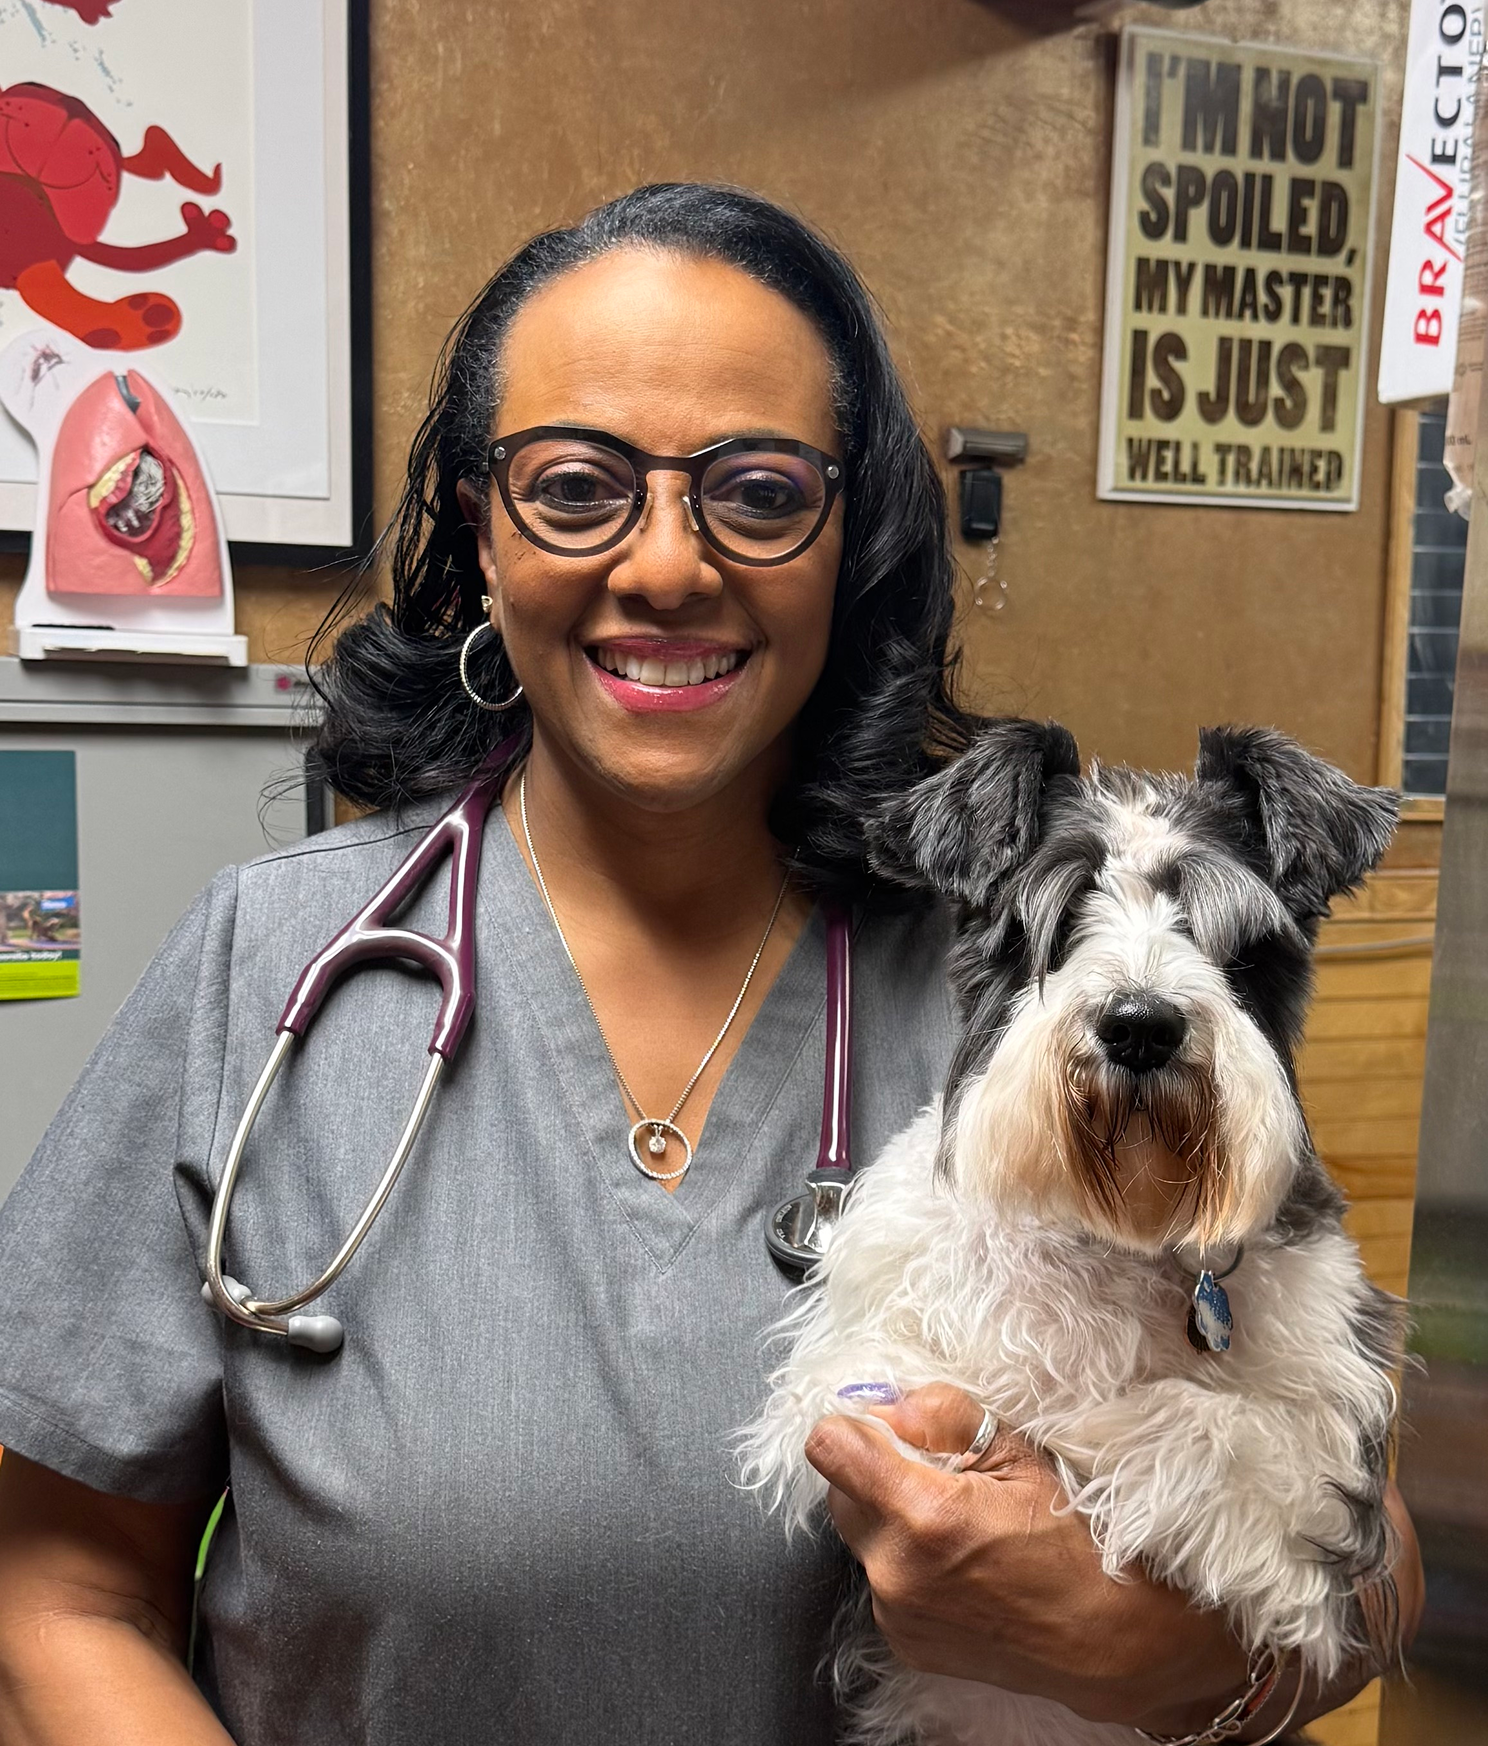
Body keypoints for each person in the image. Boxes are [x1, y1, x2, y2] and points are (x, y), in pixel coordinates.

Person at [0, 184, 1420, 1745]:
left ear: (847, 549)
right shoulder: (269, 968)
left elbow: (1373, 1575)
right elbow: (59, 1589)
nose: (667, 565)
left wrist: (1137, 1647)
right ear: (481, 532)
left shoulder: (1025, 989)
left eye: (754, 492)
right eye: (574, 485)